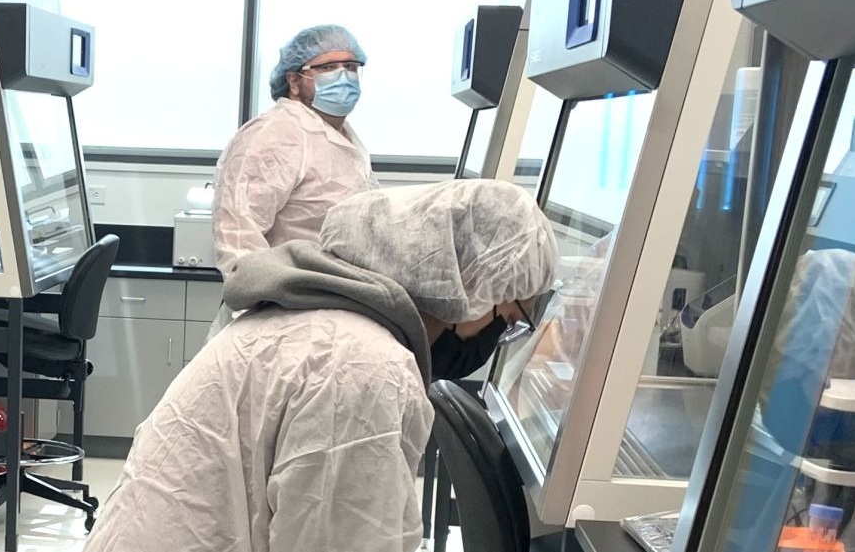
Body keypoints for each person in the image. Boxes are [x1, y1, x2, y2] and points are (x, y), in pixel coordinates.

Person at [87, 180, 557, 551]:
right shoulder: (362, 367)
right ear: (470, 282)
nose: (495, 341)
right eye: (507, 319)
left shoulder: (318, 324)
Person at [209, 25, 377, 338]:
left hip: (328, 311)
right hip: (278, 319)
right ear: (294, 81)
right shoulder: (274, 135)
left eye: (351, 67)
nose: (343, 76)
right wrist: (262, 317)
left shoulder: (341, 136)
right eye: (327, 67)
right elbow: (237, 236)